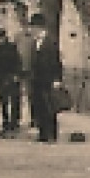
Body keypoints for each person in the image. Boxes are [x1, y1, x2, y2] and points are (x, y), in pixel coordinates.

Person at [26, 12, 63, 143]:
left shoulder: (50, 42)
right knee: (39, 106)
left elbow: (56, 62)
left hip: (48, 80)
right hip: (37, 80)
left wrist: (57, 79)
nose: (31, 30)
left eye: (32, 27)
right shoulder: (35, 43)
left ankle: (51, 134)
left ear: (39, 28)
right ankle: (42, 133)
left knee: (49, 107)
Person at [0, 27, 24, 134]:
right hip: (1, 78)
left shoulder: (12, 48)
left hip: (11, 76)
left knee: (15, 101)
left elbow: (18, 62)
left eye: (1, 37)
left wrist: (17, 75)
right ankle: (6, 122)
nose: (0, 40)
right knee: (3, 101)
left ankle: (14, 122)